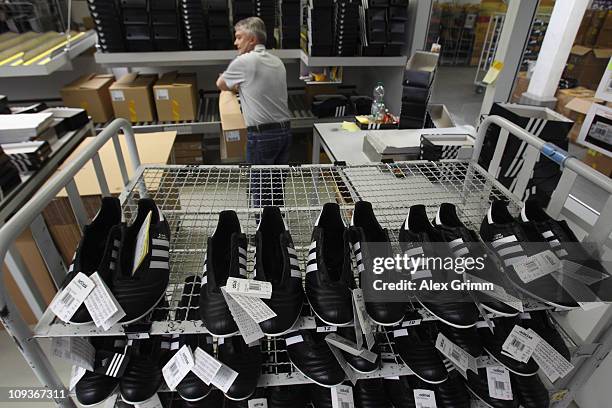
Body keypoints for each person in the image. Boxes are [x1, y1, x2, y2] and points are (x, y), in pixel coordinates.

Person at [217, 17, 291, 210]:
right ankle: (277, 229)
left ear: (252, 39)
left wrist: (234, 84)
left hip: (262, 136)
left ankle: (263, 237)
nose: (235, 43)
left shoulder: (244, 61)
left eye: (239, 37)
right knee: (276, 188)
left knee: (260, 189)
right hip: (285, 133)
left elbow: (221, 84)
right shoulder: (277, 61)